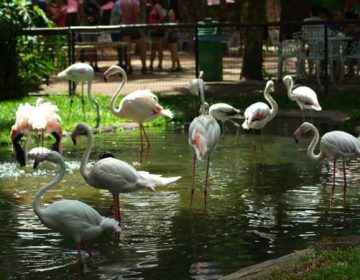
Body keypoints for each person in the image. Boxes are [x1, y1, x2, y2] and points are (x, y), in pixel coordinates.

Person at [120, 0, 148, 74]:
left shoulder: (122, 2)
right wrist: (141, 30)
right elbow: (136, 16)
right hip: (134, 27)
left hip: (125, 27)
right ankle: (144, 67)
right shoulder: (134, 2)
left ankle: (129, 67)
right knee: (143, 47)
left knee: (127, 49)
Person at [78, 0, 101, 71]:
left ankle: (92, 64)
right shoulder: (93, 1)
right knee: (93, 46)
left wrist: (89, 18)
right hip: (93, 26)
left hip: (87, 27)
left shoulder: (82, 2)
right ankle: (95, 64)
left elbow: (81, 14)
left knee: (89, 46)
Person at [110, 0, 128, 71]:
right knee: (120, 48)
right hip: (116, 29)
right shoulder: (118, 3)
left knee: (122, 48)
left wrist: (118, 23)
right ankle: (122, 64)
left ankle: (124, 64)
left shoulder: (119, 3)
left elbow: (122, 14)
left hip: (118, 30)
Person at [148, 0, 165, 71]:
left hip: (157, 31)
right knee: (153, 48)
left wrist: (156, 25)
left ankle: (160, 65)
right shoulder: (152, 7)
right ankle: (151, 65)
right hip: (152, 31)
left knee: (159, 48)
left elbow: (162, 17)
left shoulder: (157, 6)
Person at [167, 8, 182, 72]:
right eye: (170, 15)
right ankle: (178, 65)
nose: (171, 16)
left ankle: (174, 66)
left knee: (174, 52)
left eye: (172, 14)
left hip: (174, 39)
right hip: (170, 38)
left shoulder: (175, 22)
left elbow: (170, 30)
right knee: (173, 52)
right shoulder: (169, 22)